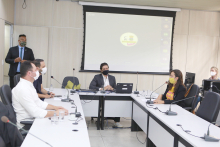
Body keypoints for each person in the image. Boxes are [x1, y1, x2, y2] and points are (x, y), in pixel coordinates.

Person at [12, 61, 68, 129]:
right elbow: (35, 112)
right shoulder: (22, 89)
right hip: (27, 125)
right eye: (36, 70)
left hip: (34, 120)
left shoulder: (29, 85)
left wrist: (55, 107)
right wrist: (56, 113)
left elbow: (39, 103)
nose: (38, 71)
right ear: (29, 73)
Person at [89, 63, 123, 127]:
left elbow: (116, 88)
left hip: (111, 96)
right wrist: (102, 88)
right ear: (101, 70)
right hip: (101, 96)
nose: (106, 69)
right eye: (104, 69)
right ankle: (100, 118)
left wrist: (112, 88)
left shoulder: (112, 78)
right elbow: (91, 87)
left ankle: (116, 122)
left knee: (118, 103)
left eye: (107, 68)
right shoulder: (97, 77)